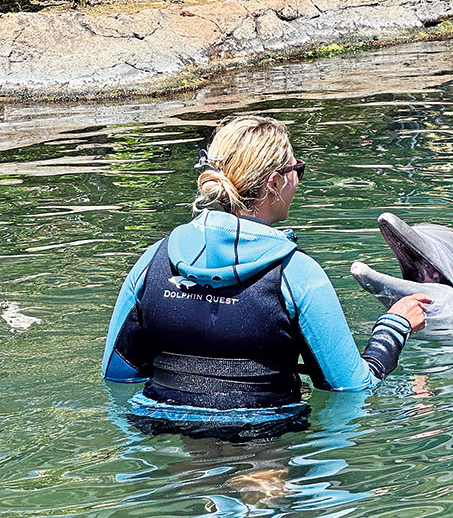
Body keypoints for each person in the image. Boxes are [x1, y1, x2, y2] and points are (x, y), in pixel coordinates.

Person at [101, 115, 432, 440]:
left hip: (162, 437)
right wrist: (395, 327)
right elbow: (350, 388)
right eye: (296, 170)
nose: (298, 180)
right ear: (274, 183)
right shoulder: (297, 274)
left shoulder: (153, 260)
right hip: (265, 445)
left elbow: (118, 374)